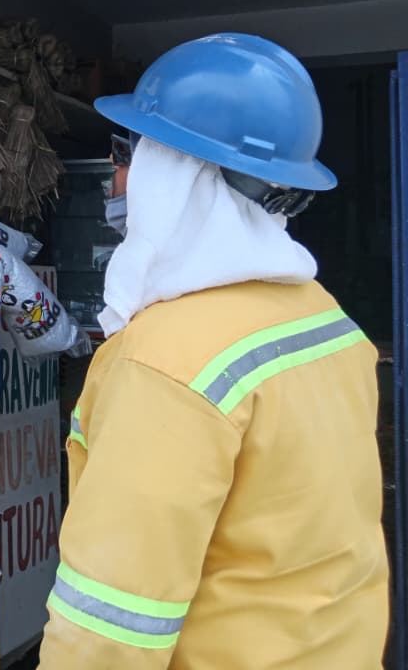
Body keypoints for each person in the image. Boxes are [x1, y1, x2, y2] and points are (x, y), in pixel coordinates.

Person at [39, 34, 388, 669]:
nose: (116, 177)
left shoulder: (165, 362)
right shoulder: (327, 320)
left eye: (126, 152)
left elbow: (109, 627)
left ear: (177, 173)